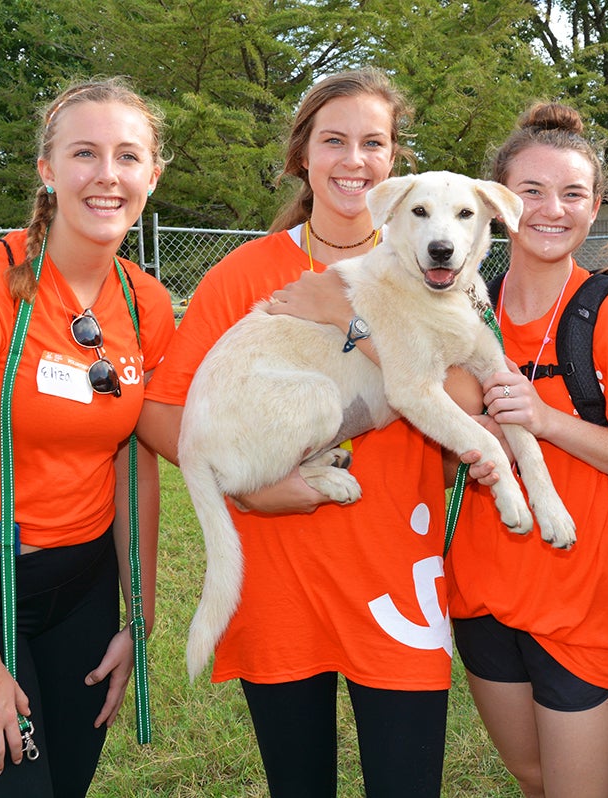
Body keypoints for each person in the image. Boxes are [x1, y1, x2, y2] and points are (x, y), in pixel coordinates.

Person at [137, 68, 467, 798]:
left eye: (373, 143)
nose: (354, 159)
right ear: (303, 156)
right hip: (281, 581)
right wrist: (250, 488)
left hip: (395, 574)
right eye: (334, 140)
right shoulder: (243, 273)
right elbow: (162, 412)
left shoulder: (434, 263)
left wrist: (345, 320)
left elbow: (466, 409)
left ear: (394, 162)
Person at [0, 77, 174, 797]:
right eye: (84, 153)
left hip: (82, 594)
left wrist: (136, 618)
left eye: (127, 156)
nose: (106, 175)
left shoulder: (146, 304)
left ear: (152, 175)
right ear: (48, 170)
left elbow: (133, 465)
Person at [445, 102, 608, 798]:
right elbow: (439, 463)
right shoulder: (467, 311)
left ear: (595, 204)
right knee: (533, 777)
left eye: (573, 194)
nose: (552, 210)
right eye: (532, 191)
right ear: (495, 201)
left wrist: (546, 421)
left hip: (586, 601)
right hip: (482, 595)